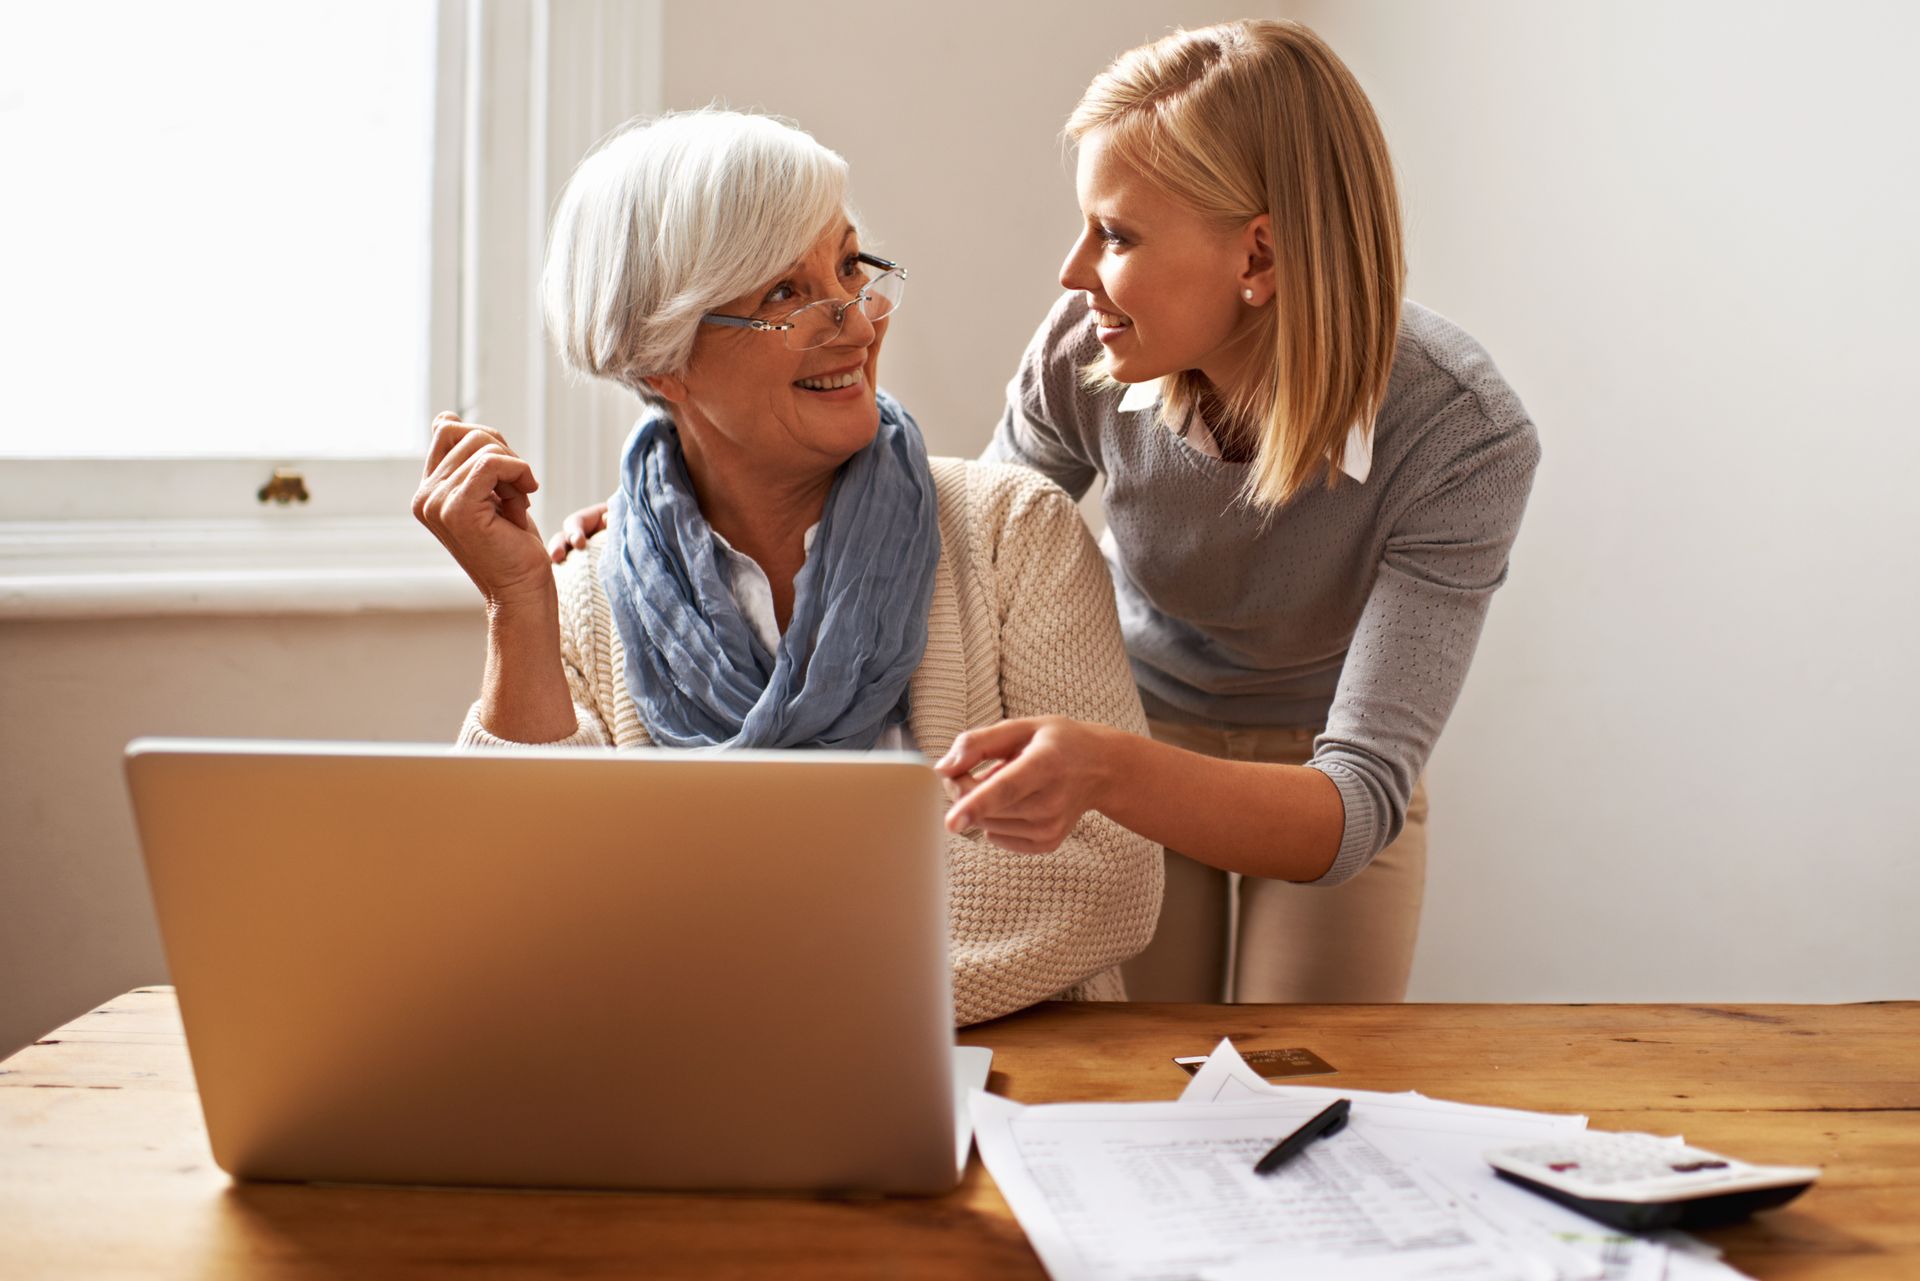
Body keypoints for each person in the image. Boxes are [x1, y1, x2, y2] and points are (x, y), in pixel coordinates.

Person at [553, 20, 1540, 1006]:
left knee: (1319, 1078)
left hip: (1324, 773)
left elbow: (1357, 803)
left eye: (1116, 235)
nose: (1072, 273)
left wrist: (1112, 772)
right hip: (1138, 715)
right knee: (1146, 1074)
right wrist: (682, 508)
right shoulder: (1091, 345)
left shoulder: (1463, 436)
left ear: (1261, 255)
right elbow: (954, 538)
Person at [413, 109, 1161, 1027]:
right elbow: (522, 902)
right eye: (781, 293)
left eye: (849, 267)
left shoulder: (1016, 535)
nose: (853, 319)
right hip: (689, 1107)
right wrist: (516, 602)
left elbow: (1104, 871)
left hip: (1010, 1100)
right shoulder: (577, 598)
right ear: (663, 356)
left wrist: (711, 960)